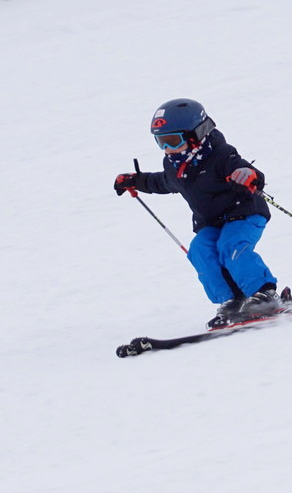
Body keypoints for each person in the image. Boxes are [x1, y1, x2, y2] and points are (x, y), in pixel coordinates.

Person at [114, 98, 281, 328]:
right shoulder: (174, 165)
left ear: (195, 134)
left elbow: (247, 171)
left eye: (173, 141)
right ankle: (233, 300)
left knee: (231, 245)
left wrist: (248, 175)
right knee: (200, 250)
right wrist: (136, 181)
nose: (168, 149)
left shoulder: (221, 155)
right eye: (161, 142)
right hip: (211, 222)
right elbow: (163, 182)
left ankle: (264, 294)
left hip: (244, 213)